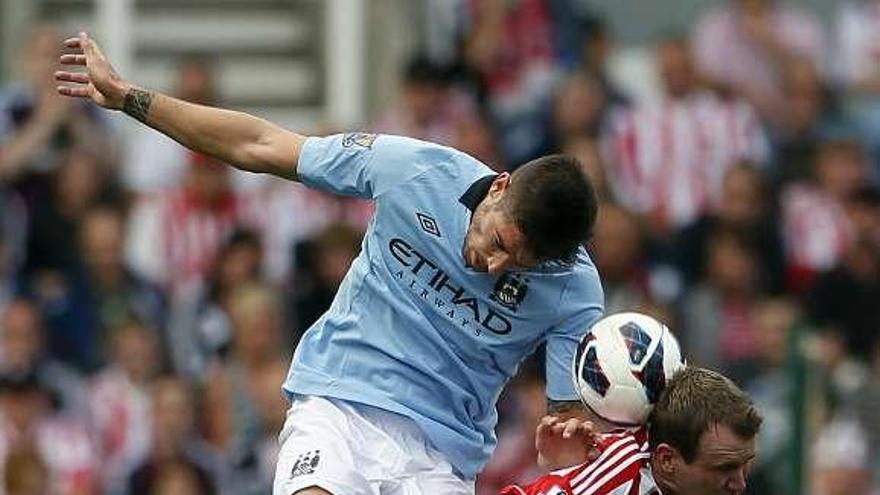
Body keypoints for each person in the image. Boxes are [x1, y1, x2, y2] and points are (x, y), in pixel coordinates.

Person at [55, 32, 604, 495]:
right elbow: (260, 144)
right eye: (499, 241)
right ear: (498, 188)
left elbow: (566, 423)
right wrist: (129, 97)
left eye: (519, 264)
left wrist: (570, 455)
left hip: (440, 457)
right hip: (339, 403)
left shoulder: (574, 290)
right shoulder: (415, 170)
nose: (495, 265)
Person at [502, 366, 762, 495]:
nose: (740, 483)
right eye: (724, 467)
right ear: (667, 460)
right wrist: (561, 473)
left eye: (745, 464)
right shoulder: (616, 478)